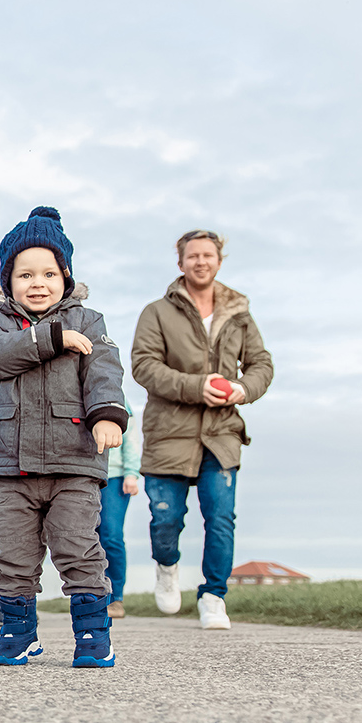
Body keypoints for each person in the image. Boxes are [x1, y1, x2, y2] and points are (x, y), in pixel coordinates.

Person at [0, 207, 127, 668]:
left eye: (48, 272)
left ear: (65, 276)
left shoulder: (91, 321)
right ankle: (18, 634)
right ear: (7, 280)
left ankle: (93, 636)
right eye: (24, 274)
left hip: (73, 461)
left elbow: (104, 372)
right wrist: (53, 336)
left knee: (78, 548)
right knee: (13, 555)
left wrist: (108, 416)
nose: (37, 283)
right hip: (8, 465)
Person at [131, 229, 273, 630]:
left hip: (222, 432)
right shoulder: (156, 312)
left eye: (208, 255)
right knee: (166, 520)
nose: (200, 262)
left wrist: (242, 390)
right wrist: (197, 387)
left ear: (219, 260)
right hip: (168, 433)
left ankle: (213, 597)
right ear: (181, 263)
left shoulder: (239, 313)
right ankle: (167, 565)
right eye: (192, 256)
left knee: (221, 517)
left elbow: (262, 364)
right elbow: (144, 365)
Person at [98, 400, 142, 619]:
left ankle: (115, 599)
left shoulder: (122, 401)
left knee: (111, 535)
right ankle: (91, 597)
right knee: (85, 539)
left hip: (114, 477)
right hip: (82, 474)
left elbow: (131, 439)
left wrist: (131, 472)